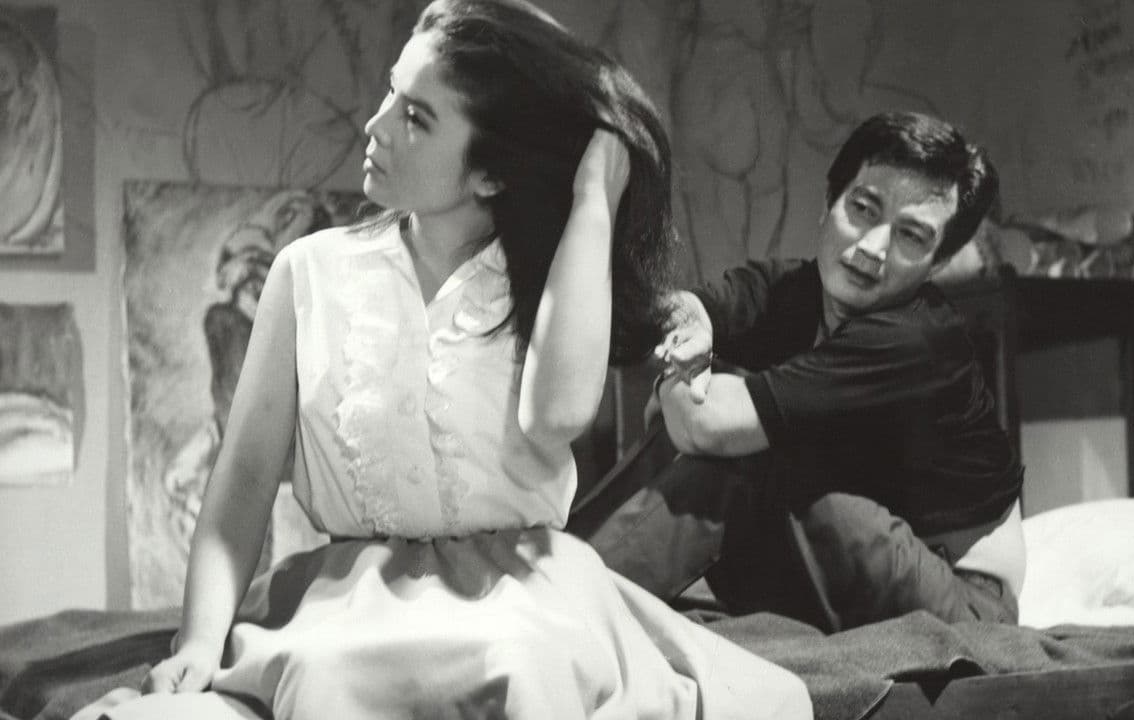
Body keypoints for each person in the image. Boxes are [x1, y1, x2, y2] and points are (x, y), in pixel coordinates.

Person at [79, 2, 812, 718]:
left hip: (526, 599)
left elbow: (556, 416)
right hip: (352, 601)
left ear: (490, 174)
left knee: (518, 662)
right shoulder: (307, 272)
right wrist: (199, 640)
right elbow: (242, 478)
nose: (375, 126)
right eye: (391, 94)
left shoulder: (549, 281)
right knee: (332, 674)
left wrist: (595, 198)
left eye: (416, 117)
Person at [570, 111, 1026, 633]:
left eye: (911, 237)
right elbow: (683, 310)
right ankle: (561, 567)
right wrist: (689, 347)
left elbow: (707, 425)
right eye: (863, 209)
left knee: (750, 456)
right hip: (865, 557)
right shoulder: (794, 290)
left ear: (936, 264)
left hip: (964, 600)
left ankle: (569, 605)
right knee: (709, 434)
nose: (872, 249)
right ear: (829, 203)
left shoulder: (916, 338)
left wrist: (675, 375)